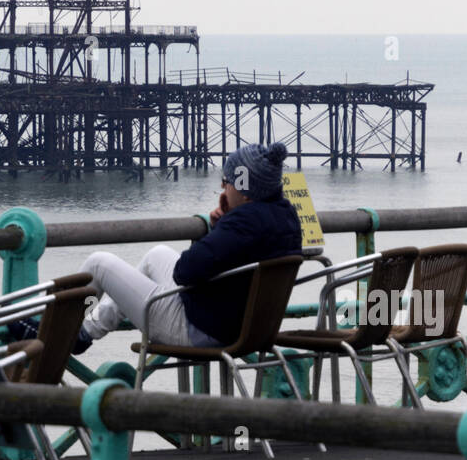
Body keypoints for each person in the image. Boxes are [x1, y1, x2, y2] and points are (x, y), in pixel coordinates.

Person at [77, 141, 302, 351]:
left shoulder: (243, 223)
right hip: (249, 329)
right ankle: (88, 329)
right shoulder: (288, 217)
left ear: (244, 190)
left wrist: (227, 223)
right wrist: (225, 224)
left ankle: (60, 330)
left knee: (99, 263)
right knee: (157, 254)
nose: (223, 187)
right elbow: (238, 252)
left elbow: (184, 271)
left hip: (200, 331)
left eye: (227, 181)